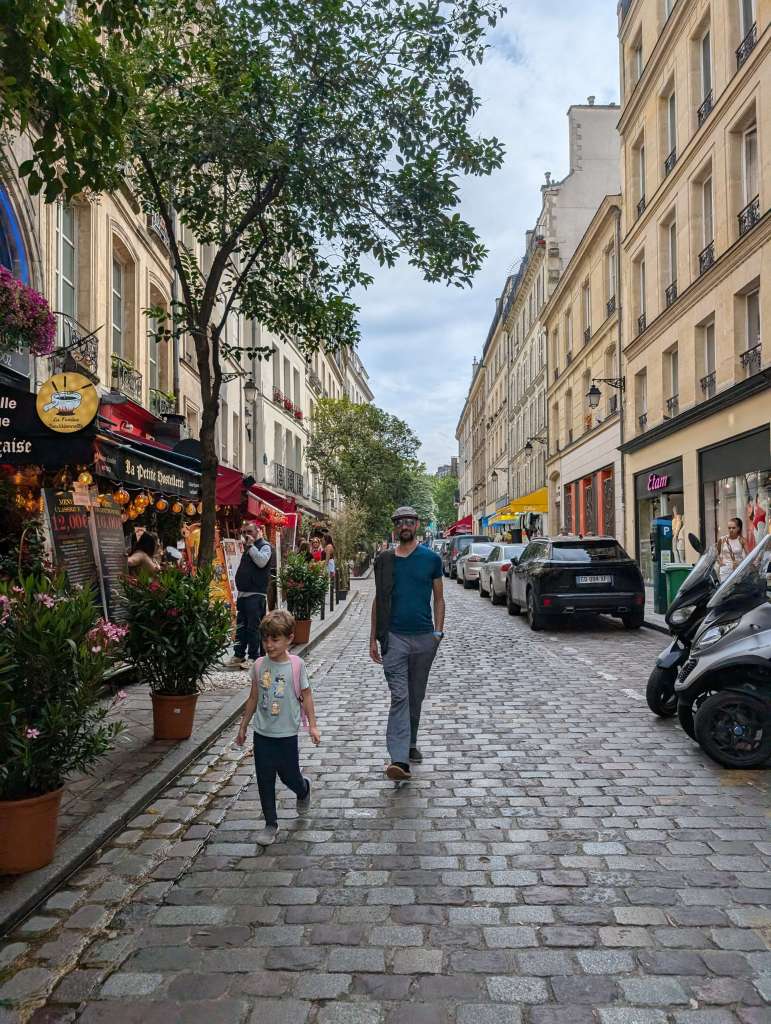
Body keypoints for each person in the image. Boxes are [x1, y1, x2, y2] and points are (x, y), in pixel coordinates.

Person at [370, 505, 445, 781]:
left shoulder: (432, 559)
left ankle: (410, 742)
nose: (405, 526)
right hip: (394, 638)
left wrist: (438, 634)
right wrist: (373, 638)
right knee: (400, 696)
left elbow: (439, 599)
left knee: (415, 696)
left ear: (417, 525)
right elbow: (379, 601)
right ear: (395, 527)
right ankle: (399, 760)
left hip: (424, 637)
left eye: (409, 522)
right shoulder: (385, 561)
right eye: (400, 522)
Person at [235, 610, 320, 845]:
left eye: (275, 639)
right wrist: (243, 726)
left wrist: (313, 726)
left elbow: (307, 696)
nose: (269, 645)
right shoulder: (259, 665)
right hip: (262, 732)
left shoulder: (296, 666)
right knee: (264, 778)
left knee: (289, 776)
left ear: (289, 638)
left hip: (286, 733)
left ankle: (303, 789)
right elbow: (253, 697)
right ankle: (270, 823)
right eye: (265, 639)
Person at [225, 522, 272, 669]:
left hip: (255, 593)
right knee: (241, 627)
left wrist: (251, 546)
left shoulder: (264, 546)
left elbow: (262, 562)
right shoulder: (248, 547)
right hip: (243, 593)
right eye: (244, 532)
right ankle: (239, 654)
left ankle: (254, 657)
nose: (246, 535)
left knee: (253, 627)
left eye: (249, 531)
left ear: (258, 531)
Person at [717, 517, 748, 583]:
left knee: (737, 588)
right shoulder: (722, 539)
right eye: (729, 528)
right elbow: (716, 553)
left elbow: (748, 555)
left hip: (737, 569)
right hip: (725, 570)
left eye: (733, 528)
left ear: (738, 528)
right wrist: (719, 562)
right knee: (725, 588)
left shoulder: (742, 540)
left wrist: (741, 563)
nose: (731, 530)